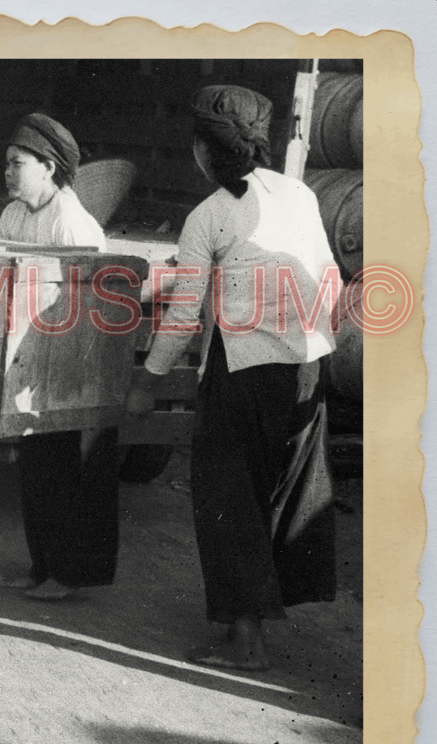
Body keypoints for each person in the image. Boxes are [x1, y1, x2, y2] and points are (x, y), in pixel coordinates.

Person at [126, 85, 338, 671]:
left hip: (244, 370)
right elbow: (327, 277)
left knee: (228, 497)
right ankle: (255, 619)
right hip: (306, 368)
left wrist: (148, 378)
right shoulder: (300, 194)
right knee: (277, 492)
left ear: (202, 151)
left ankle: (247, 641)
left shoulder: (210, 214)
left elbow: (185, 308)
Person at [0, 112, 122, 602]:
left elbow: (93, 303)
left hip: (73, 363)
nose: (8, 172)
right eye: (7, 163)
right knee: (36, 468)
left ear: (49, 167)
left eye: (18, 163)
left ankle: (66, 575)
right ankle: (39, 567)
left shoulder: (72, 221)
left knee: (65, 470)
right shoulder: (13, 215)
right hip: (31, 360)